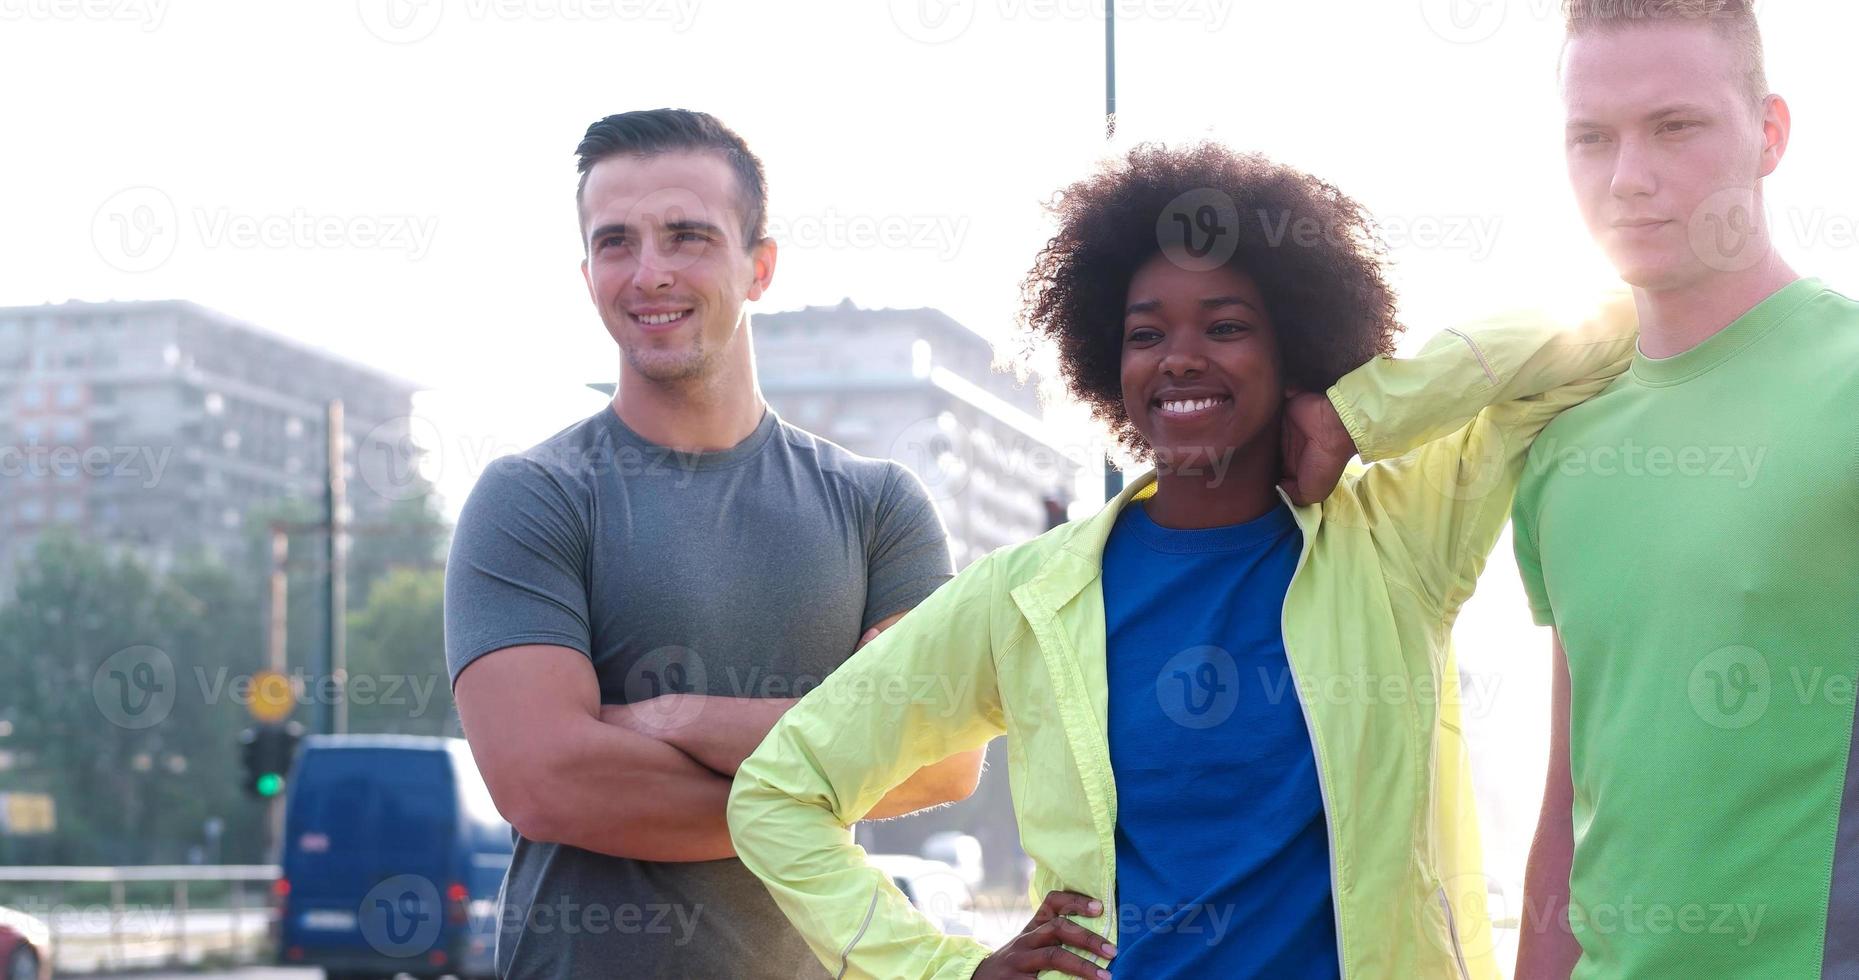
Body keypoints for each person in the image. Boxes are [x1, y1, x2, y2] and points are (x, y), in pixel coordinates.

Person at [728, 141, 1639, 979]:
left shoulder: (1393, 542)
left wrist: (1366, 415)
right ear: (1106, 360)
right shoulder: (1028, 597)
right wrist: (946, 970)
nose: (1181, 359)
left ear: (1294, 347)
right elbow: (777, 794)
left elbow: (1610, 325)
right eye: (1145, 333)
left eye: (1226, 326)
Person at [443, 108, 985, 979]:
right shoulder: (531, 498)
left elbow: (940, 758)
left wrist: (674, 717)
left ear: (759, 266)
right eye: (615, 242)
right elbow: (546, 782)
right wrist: (820, 778)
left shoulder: (878, 507)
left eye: (687, 236)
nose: (648, 272)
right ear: (586, 274)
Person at [1511, 3, 1859, 977]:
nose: (1627, 177)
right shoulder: (1558, 437)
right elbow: (1569, 797)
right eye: (1591, 137)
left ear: (1768, 133)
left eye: (1674, 126)